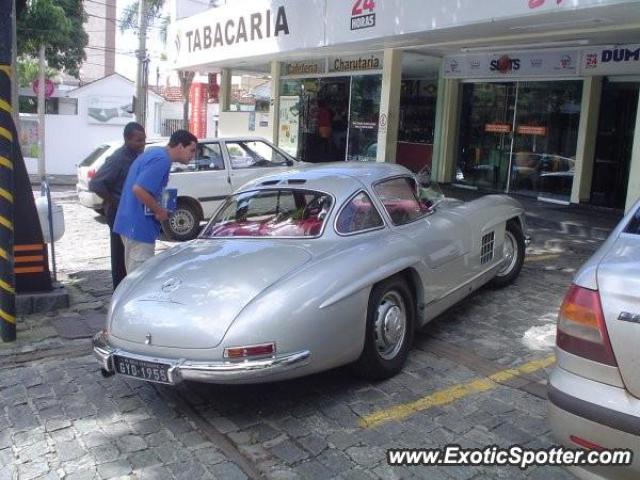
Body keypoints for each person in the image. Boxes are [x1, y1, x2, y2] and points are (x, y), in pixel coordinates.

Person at [114, 130, 197, 274]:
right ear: (180, 147)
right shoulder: (162, 160)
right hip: (139, 227)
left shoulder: (155, 153)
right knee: (139, 278)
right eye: (192, 150)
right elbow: (139, 189)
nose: (193, 155)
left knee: (135, 274)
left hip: (131, 223)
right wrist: (159, 211)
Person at [89, 122, 146, 289]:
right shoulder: (118, 159)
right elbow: (96, 185)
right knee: (120, 258)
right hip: (118, 214)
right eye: (138, 140)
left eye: (143, 140)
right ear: (127, 140)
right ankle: (119, 292)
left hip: (133, 214)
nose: (142, 144)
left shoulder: (137, 157)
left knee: (132, 255)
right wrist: (116, 203)